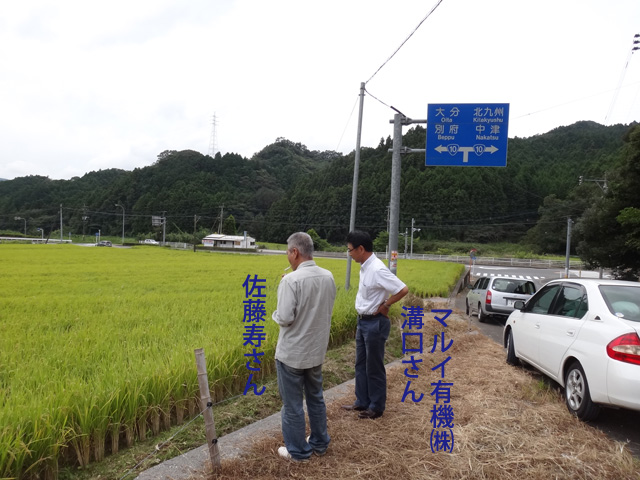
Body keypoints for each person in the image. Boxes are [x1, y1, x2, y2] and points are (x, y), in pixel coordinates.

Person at [272, 232, 337, 462]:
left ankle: (298, 451)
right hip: (316, 351)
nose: (287, 256)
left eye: (287, 252)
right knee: (315, 397)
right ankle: (319, 443)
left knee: (292, 406)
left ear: (295, 252)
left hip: (292, 354)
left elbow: (286, 317)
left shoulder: (290, 280)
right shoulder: (328, 276)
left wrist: (275, 313)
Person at [343, 230, 408, 419]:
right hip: (363, 321)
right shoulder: (364, 266)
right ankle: (361, 401)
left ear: (361, 249)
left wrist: (386, 305)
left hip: (374, 323)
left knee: (374, 366)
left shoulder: (377, 268)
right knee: (360, 364)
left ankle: (376, 407)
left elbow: (402, 289)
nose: (349, 254)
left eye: (350, 250)